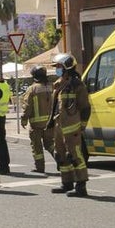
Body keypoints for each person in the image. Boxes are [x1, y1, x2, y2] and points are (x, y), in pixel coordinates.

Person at [49, 52, 91, 197]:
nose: (57, 69)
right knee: (60, 155)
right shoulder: (59, 84)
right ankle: (66, 183)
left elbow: (85, 107)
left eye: (59, 66)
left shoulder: (77, 85)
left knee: (75, 156)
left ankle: (81, 185)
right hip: (59, 126)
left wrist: (82, 125)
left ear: (67, 67)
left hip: (72, 127)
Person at [20, 66, 54, 174]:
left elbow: (27, 106)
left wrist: (24, 119)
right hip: (50, 122)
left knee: (37, 146)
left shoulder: (32, 89)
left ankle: (40, 167)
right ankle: (62, 161)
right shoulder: (52, 87)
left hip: (36, 124)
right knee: (50, 144)